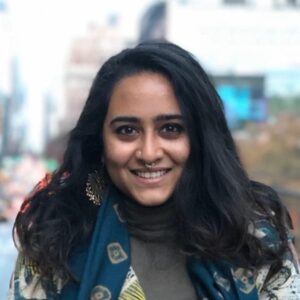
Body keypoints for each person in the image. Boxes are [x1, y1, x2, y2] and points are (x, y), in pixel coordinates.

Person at [9, 42, 300, 300]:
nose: (149, 153)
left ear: (200, 137)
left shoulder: (259, 238)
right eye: (127, 130)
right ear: (100, 141)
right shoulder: (53, 241)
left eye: (171, 129)